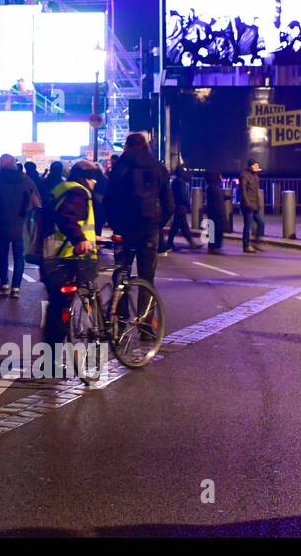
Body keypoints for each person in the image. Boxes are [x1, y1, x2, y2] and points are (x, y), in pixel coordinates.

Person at [41, 160, 102, 375]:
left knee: (56, 307)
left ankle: (50, 361)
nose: (95, 182)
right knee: (61, 308)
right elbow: (68, 218)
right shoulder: (79, 193)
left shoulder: (60, 188)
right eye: (93, 178)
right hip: (67, 258)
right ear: (86, 178)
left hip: (49, 254)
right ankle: (53, 363)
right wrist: (79, 240)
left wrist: (91, 236)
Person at [106, 132, 172, 284]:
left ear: (126, 146)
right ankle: (145, 307)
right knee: (147, 276)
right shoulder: (158, 168)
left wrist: (114, 223)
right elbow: (168, 204)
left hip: (124, 226)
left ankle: (120, 306)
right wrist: (157, 223)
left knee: (121, 272)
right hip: (149, 227)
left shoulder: (119, 168)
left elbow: (109, 199)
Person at [0, 153, 39, 297]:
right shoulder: (26, 180)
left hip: (2, 223)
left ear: (2, 165)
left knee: (3, 254)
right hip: (21, 224)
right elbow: (37, 200)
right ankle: (16, 287)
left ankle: (4, 283)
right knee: (19, 256)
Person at [163, 166, 201, 252]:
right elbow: (183, 195)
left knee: (180, 225)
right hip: (181, 206)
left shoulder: (175, 182)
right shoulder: (180, 182)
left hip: (177, 206)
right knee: (179, 225)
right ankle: (172, 243)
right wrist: (187, 204)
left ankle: (172, 243)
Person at [239, 159, 265, 252]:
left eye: (258, 166)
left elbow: (256, 192)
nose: (258, 167)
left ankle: (256, 242)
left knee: (261, 223)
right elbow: (243, 191)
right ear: (251, 166)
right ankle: (246, 246)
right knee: (248, 226)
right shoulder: (244, 175)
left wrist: (259, 204)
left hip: (255, 205)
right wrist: (247, 203)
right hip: (247, 205)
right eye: (256, 166)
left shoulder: (256, 177)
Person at [205, 170, 227, 253]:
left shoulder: (211, 187)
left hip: (212, 213)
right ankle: (215, 247)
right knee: (217, 230)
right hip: (217, 213)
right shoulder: (214, 188)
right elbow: (218, 202)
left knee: (213, 230)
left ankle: (212, 247)